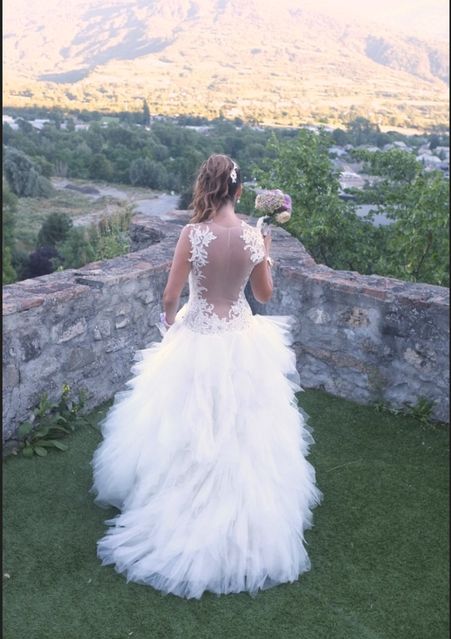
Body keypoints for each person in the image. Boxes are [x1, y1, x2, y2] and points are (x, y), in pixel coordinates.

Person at [90, 154, 322, 599]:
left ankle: (178, 506)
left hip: (198, 334)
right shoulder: (255, 237)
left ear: (206, 187)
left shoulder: (192, 234)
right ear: (237, 191)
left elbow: (170, 294)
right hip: (241, 336)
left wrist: (170, 323)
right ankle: (248, 516)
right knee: (244, 429)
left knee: (185, 426)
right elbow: (264, 295)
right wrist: (266, 257)